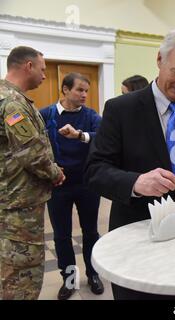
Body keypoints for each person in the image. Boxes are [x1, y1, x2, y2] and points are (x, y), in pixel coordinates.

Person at [85, 29, 175, 300]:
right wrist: (136, 182)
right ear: (159, 60)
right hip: (136, 237)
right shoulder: (120, 109)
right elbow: (95, 170)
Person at [0, 46, 65, 300]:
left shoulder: (9, 97)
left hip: (13, 199)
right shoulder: (13, 103)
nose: (44, 76)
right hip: (18, 205)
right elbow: (31, 153)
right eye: (42, 69)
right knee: (21, 275)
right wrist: (55, 173)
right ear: (28, 66)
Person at [40, 72, 103, 300]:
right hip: (57, 185)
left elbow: (103, 136)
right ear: (65, 90)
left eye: (87, 90)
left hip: (87, 183)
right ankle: (69, 279)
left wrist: (80, 135)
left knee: (91, 232)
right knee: (62, 235)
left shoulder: (91, 116)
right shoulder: (45, 114)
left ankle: (93, 273)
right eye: (80, 90)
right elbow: (36, 146)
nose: (85, 94)